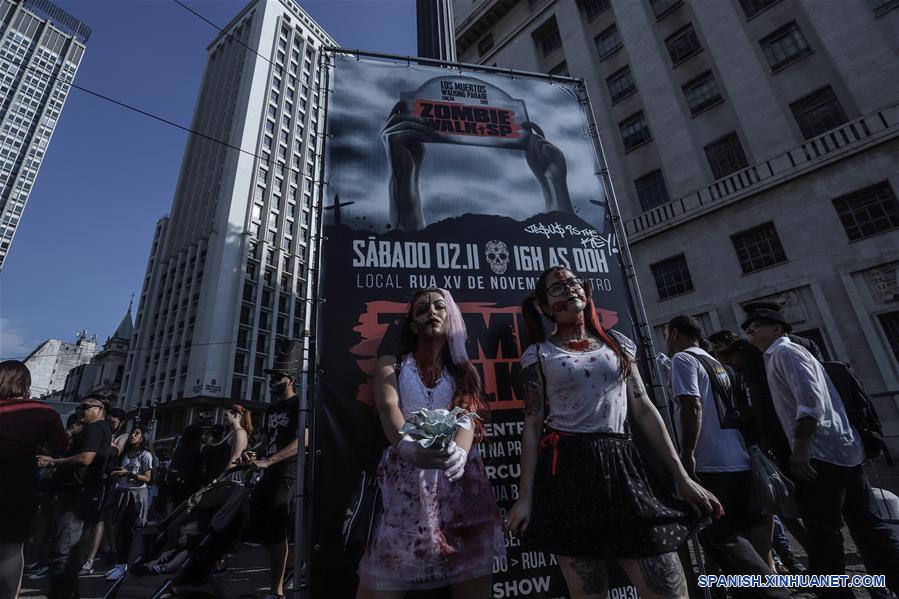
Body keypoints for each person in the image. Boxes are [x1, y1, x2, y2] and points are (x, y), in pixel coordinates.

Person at [505, 267, 721, 599]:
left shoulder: (619, 342)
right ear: (546, 307)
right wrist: (525, 498)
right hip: (568, 473)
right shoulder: (539, 353)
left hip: (625, 468)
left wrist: (682, 478)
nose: (568, 289)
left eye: (572, 282)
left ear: (586, 291)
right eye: (556, 289)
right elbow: (532, 425)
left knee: (671, 593)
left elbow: (644, 408)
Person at [356, 288, 504, 597]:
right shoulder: (395, 362)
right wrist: (405, 445)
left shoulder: (462, 368)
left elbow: (468, 414)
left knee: (472, 577)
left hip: (460, 485)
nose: (431, 313)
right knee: (381, 582)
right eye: (422, 310)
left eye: (439, 307)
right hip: (405, 486)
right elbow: (388, 406)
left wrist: (460, 453)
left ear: (451, 318)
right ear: (412, 324)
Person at [745, 304, 899, 597]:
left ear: (777, 329)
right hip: (839, 453)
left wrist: (801, 448)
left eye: (757, 325)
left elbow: (810, 404)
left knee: (824, 533)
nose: (751, 330)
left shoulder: (785, 353)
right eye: (748, 327)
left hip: (821, 456)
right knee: (866, 525)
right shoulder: (777, 355)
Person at [666, 316, 786, 599]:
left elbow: (691, 406)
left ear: (674, 334)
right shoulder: (716, 363)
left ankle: (773, 594)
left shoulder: (684, 360)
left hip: (711, 462)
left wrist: (687, 455)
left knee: (719, 536)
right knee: (739, 536)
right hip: (738, 459)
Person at [0, 360, 68, 599]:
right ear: (26, 384)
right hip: (19, 483)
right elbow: (62, 446)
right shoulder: (43, 412)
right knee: (11, 548)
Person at [37, 395, 111, 599]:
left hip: (77, 496)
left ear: (100, 409)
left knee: (63, 552)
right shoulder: (96, 429)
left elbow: (86, 458)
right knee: (66, 552)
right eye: (79, 407)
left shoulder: (95, 428)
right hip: (79, 494)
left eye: (85, 407)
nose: (81, 411)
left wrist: (53, 463)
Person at [251, 340, 303, 599]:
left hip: (287, 472)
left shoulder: (299, 405)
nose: (272, 381)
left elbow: (302, 440)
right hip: (267, 471)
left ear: (290, 379)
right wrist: (254, 454)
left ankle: (277, 591)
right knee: (256, 527)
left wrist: (270, 461)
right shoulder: (271, 408)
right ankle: (292, 564)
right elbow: (265, 438)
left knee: (276, 528)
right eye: (271, 377)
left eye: (277, 377)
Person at [81, 408, 129, 575]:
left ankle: (90, 559)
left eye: (114, 422)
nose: (110, 424)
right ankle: (110, 551)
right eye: (109, 421)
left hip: (109, 481)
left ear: (121, 423)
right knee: (105, 520)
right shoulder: (104, 433)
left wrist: (103, 438)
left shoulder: (122, 436)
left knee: (100, 519)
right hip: (95, 478)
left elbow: (116, 451)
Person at [103, 426, 153, 582]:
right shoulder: (125, 454)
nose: (133, 435)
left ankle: (125, 564)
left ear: (143, 438)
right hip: (121, 493)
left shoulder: (145, 455)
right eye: (132, 432)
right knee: (117, 529)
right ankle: (120, 564)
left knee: (128, 530)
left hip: (136, 495)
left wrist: (129, 473)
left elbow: (147, 478)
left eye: (137, 433)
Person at [167, 424, 204, 507]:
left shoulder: (178, 449)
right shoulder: (198, 449)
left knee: (176, 505)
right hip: (191, 483)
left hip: (176, 481)